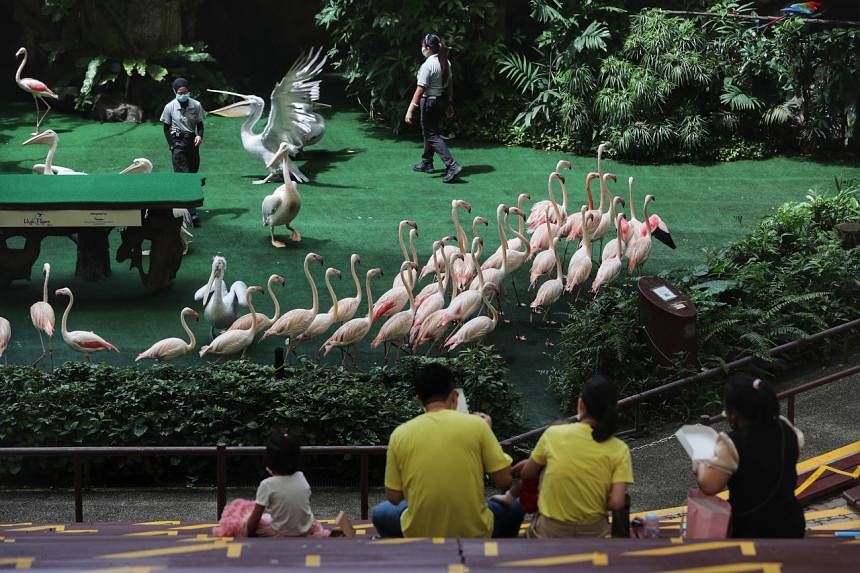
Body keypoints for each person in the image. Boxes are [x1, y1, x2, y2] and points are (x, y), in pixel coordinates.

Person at [371, 363, 521, 538]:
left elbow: (393, 497)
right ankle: (501, 547)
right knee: (516, 505)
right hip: (475, 531)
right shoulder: (478, 426)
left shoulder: (400, 434)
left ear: (418, 400)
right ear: (454, 397)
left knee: (381, 512)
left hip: (417, 532)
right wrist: (487, 431)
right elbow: (504, 480)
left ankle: (401, 547)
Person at [518, 374, 633, 538]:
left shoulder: (553, 434)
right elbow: (617, 502)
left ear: (581, 405)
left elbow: (526, 473)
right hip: (595, 534)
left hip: (550, 532)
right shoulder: (620, 449)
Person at [695, 375, 805, 538]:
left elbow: (709, 486)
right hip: (791, 523)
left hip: (752, 531)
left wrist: (700, 460)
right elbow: (793, 447)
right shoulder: (785, 426)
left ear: (734, 412)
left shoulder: (731, 442)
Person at [214, 431, 330, 538]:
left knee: (246, 518)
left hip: (281, 532)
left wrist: (246, 531)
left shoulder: (267, 485)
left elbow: (255, 519)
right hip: (305, 529)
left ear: (269, 460)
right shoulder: (301, 477)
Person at [405, 33, 462, 184]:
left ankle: (452, 165)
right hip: (441, 101)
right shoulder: (445, 62)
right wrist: (449, 103)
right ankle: (427, 162)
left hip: (429, 103)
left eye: (423, 46)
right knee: (430, 131)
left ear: (428, 48)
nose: (422, 48)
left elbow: (420, 89)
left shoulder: (428, 65)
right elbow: (450, 84)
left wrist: (410, 110)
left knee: (431, 135)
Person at [160, 77, 204, 226]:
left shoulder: (196, 105)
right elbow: (166, 129)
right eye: (180, 92)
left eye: (185, 92)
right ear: (175, 92)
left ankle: (183, 207)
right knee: (185, 177)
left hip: (192, 143)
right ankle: (192, 213)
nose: (183, 94)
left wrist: (199, 136)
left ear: (189, 91)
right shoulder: (169, 107)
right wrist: (172, 146)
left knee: (192, 175)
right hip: (178, 144)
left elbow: (200, 125)